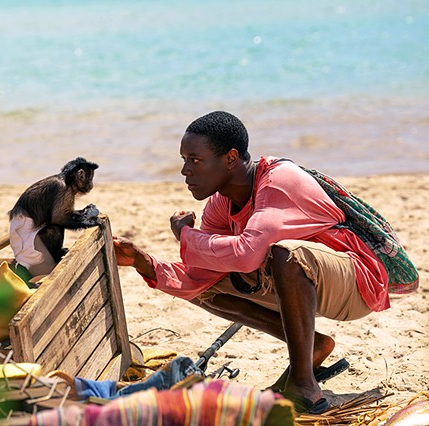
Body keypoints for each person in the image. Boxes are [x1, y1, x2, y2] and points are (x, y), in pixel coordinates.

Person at [112, 111, 393, 414]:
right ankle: (312, 347)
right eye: (183, 159)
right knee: (205, 286)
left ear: (231, 158)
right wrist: (145, 263)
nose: (184, 170)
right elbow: (200, 273)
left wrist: (185, 235)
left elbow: (247, 255)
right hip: (307, 284)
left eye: (195, 160)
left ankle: (306, 389)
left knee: (285, 255)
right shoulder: (222, 202)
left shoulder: (279, 181)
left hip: (356, 282)